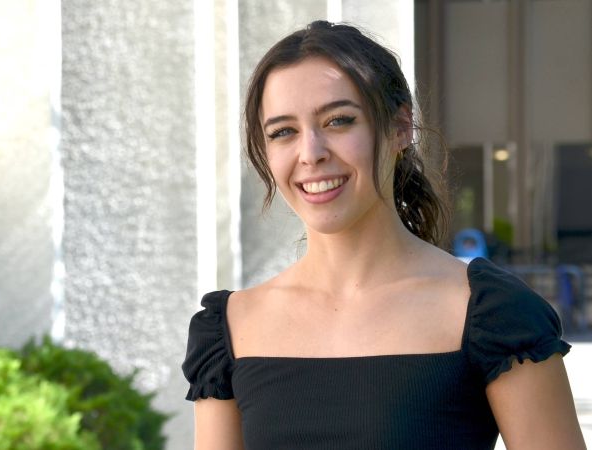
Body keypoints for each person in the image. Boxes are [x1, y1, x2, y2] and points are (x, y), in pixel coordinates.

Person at [182, 20, 586, 449]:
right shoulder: (229, 328)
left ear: (399, 129)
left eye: (338, 121)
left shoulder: (491, 313)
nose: (311, 152)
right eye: (283, 132)